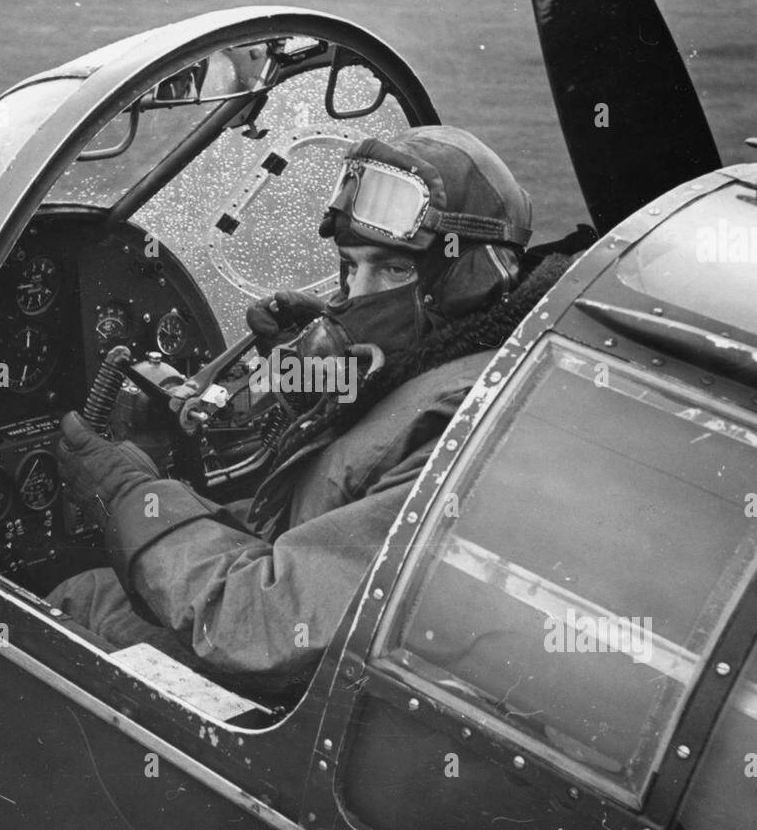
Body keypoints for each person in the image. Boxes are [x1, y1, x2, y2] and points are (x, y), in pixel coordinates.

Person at [46, 125, 595, 696]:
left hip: (321, 688)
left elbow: (263, 621)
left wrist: (133, 498)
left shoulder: (457, 426)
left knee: (79, 599)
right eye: (349, 268)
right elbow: (318, 514)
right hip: (335, 639)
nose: (356, 298)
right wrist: (314, 372)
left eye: (393, 270)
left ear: (469, 279)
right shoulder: (487, 357)